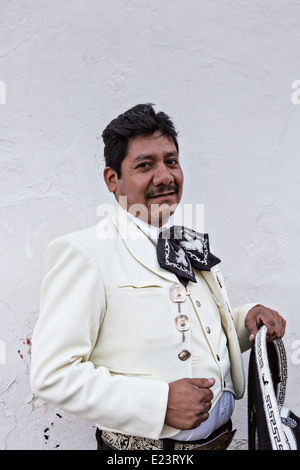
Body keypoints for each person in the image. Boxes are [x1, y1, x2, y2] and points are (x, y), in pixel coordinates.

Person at [30, 103, 286, 451]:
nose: (165, 176)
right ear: (112, 179)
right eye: (145, 165)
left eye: (172, 161)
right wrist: (159, 402)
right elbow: (52, 375)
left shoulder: (187, 244)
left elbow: (201, 336)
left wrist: (248, 320)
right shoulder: (85, 252)